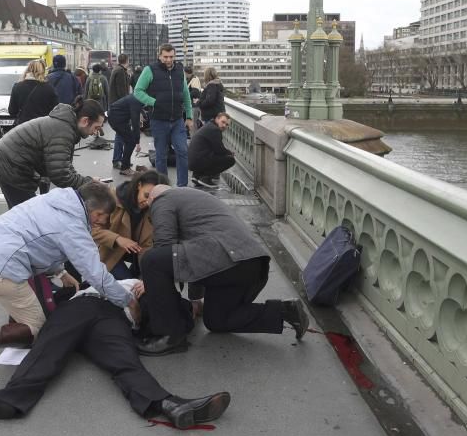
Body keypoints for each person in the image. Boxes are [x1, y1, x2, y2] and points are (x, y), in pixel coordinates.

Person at [0, 292, 231, 428]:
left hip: (112, 318)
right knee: (48, 352)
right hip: (80, 305)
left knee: (125, 362)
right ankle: (6, 401)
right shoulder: (100, 275)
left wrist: (190, 311)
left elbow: (186, 310)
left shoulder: (145, 294)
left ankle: (168, 403)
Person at [0, 182, 138, 373]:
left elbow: (40, 240)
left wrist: (60, 272)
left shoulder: (55, 200)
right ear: (91, 208)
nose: (103, 222)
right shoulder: (73, 226)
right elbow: (96, 274)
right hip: (0, 267)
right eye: (101, 215)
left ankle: (16, 320)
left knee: (24, 301)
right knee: (37, 327)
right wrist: (128, 300)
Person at [134, 185, 309, 355]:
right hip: (249, 264)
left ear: (153, 199)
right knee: (217, 320)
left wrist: (150, 282)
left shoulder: (163, 199)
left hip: (228, 259)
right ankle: (285, 311)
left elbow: (164, 246)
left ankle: (170, 335)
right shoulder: (194, 200)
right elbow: (191, 258)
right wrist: (195, 299)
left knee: (152, 260)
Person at [133, 44, 193, 187]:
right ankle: (163, 187)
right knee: (161, 156)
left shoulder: (179, 70)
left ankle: (182, 187)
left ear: (174, 56)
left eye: (171, 56)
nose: (168, 60)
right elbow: (138, 91)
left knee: (183, 151)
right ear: (159, 55)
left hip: (178, 120)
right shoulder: (149, 70)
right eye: (165, 57)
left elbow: (185, 94)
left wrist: (189, 116)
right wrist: (154, 102)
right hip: (159, 120)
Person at [93, 170, 167, 280]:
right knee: (128, 286)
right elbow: (92, 229)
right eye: (146, 195)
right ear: (139, 185)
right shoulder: (112, 198)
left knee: (140, 284)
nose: (147, 202)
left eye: (152, 199)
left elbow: (147, 245)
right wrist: (118, 239)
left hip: (134, 252)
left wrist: (145, 278)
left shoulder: (153, 209)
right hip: (106, 251)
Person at [188, 112, 235, 188]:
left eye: (227, 125)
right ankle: (205, 178)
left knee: (213, 155)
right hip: (197, 161)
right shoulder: (215, 130)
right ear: (217, 119)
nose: (224, 126)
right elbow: (219, 149)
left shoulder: (209, 126)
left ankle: (197, 176)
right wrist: (230, 153)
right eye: (223, 122)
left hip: (192, 162)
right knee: (230, 160)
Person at [8, 59, 58, 126]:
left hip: (23, 127)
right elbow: (55, 110)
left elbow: (12, 111)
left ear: (28, 70)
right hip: (42, 126)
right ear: (43, 71)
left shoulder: (17, 87)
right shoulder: (49, 88)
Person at [107, 91, 143, 175]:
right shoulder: (136, 101)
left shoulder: (136, 96)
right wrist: (137, 142)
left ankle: (125, 163)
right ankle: (125, 168)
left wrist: (141, 114)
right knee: (131, 141)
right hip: (116, 119)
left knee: (128, 140)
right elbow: (135, 123)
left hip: (118, 117)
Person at [185, 66, 203, 134]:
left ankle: (194, 140)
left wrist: (186, 96)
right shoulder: (189, 79)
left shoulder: (194, 79)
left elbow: (195, 92)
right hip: (191, 105)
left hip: (194, 105)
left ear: (186, 73)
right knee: (192, 123)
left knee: (193, 124)